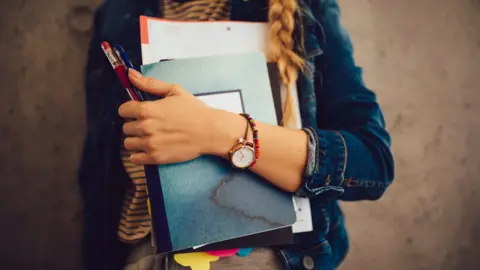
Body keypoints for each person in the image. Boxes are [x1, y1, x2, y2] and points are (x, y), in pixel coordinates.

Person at [79, 0, 395, 269]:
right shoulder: (117, 12)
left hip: (255, 256)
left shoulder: (302, 8)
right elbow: (100, 168)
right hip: (140, 255)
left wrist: (221, 133)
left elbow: (371, 161)